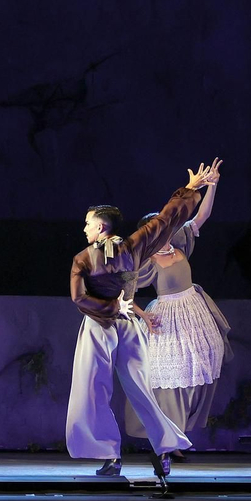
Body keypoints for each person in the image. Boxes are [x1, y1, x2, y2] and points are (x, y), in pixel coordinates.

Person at [67, 161, 216, 478]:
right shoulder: (129, 247)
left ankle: (121, 454)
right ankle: (153, 450)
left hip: (102, 325)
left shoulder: (90, 256)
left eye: (88, 224)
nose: (84, 228)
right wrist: (189, 190)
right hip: (121, 324)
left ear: (102, 227)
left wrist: (111, 309)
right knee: (122, 389)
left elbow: (79, 298)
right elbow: (165, 220)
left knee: (100, 389)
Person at [121, 161, 230, 458]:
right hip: (166, 319)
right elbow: (124, 295)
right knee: (169, 383)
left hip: (194, 312)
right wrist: (145, 316)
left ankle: (175, 435)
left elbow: (202, 215)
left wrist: (212, 185)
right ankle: (166, 441)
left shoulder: (180, 238)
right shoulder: (144, 260)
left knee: (195, 375)